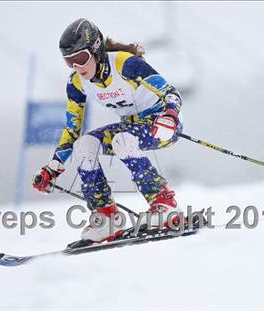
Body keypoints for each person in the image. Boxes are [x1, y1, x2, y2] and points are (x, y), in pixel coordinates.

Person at [32, 18, 183, 243]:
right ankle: (106, 217)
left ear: (96, 50)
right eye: (69, 61)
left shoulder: (125, 64)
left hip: (162, 124)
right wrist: (54, 166)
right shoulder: (76, 84)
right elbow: (72, 129)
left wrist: (170, 116)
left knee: (122, 139)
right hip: (130, 127)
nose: (77, 67)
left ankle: (164, 205)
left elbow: (171, 93)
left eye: (81, 58)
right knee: (84, 144)